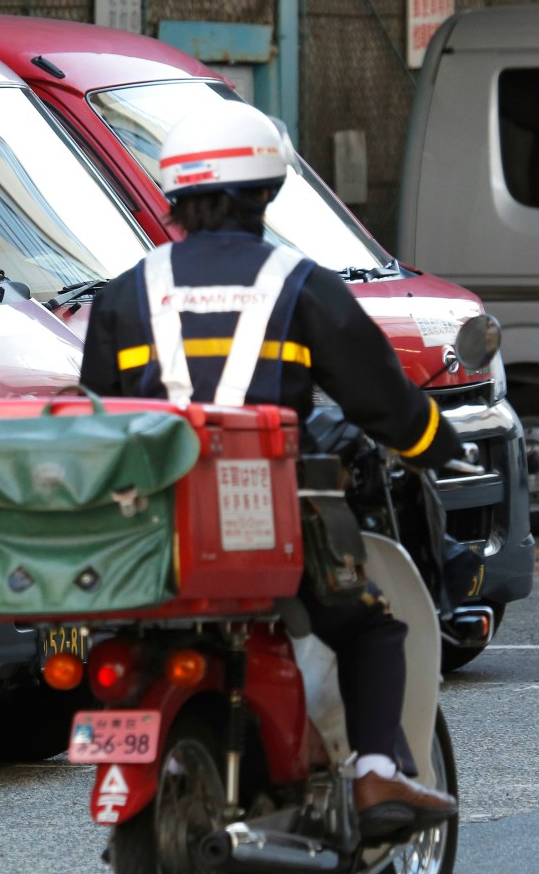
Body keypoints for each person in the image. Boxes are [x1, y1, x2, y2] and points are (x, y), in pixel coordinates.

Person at [79, 100, 459, 841]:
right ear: (265, 192)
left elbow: (100, 413)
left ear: (178, 196)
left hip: (143, 540)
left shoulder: (125, 291)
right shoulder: (301, 285)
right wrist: (439, 444)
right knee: (370, 624)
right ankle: (377, 770)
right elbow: (385, 405)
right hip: (262, 531)